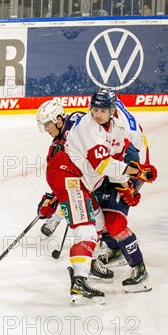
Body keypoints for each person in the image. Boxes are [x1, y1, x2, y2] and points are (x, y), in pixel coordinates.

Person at [65, 88, 158, 294]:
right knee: (99, 219)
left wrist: (129, 185)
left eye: (102, 110)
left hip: (131, 163)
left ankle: (139, 270)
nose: (97, 114)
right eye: (94, 109)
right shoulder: (91, 126)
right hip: (106, 172)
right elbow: (103, 164)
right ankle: (115, 250)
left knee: (114, 221)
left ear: (112, 110)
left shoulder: (121, 130)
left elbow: (118, 159)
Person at [35, 99, 113, 305]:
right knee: (86, 233)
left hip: (78, 184)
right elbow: (57, 176)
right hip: (73, 186)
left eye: (48, 124)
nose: (46, 129)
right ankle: (79, 280)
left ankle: (91, 262)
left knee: (99, 222)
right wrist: (53, 196)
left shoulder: (76, 122)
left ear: (59, 119)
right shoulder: (56, 146)